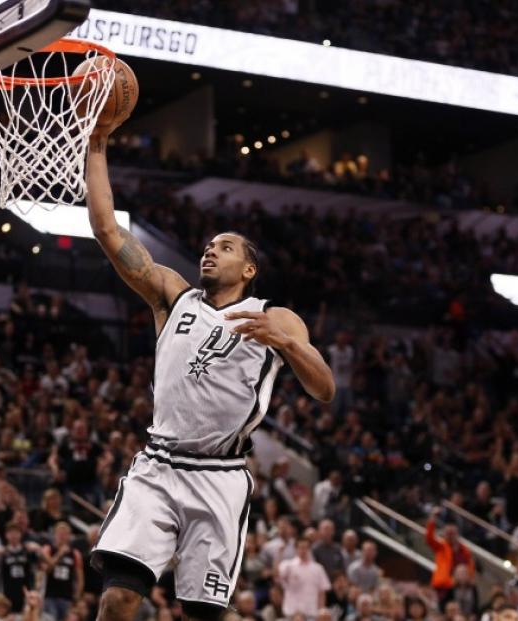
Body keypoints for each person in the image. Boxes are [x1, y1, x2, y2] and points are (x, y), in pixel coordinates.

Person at [85, 124, 335, 620]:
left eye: (224, 247)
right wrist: (97, 147)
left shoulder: (275, 316)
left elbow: (324, 389)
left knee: (202, 615)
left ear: (248, 270)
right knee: (117, 598)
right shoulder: (171, 296)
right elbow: (107, 230)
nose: (209, 250)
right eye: (208, 245)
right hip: (157, 467)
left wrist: (285, 343)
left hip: (219, 477)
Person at [426, 509, 475, 602]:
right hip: (443, 586)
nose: (450, 536)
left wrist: (470, 579)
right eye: (448, 533)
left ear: (457, 534)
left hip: (461, 586)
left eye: (453, 533)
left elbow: (470, 566)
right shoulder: (441, 547)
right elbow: (429, 539)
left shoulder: (465, 550)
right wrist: (432, 520)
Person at [277, 539, 331, 619]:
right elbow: (277, 576)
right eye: (301, 547)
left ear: (309, 549)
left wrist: (320, 610)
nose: (303, 550)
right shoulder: (288, 566)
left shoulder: (318, 568)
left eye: (305, 547)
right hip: (292, 613)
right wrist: (279, 554)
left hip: (311, 613)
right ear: (296, 549)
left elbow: (322, 592)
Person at [41, 522, 84, 621]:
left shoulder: (75, 554)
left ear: (69, 536)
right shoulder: (48, 549)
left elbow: (80, 578)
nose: (62, 537)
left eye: (65, 534)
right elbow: (47, 570)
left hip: (66, 596)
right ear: (54, 535)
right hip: (49, 594)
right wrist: (59, 554)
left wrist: (77, 595)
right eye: (60, 534)